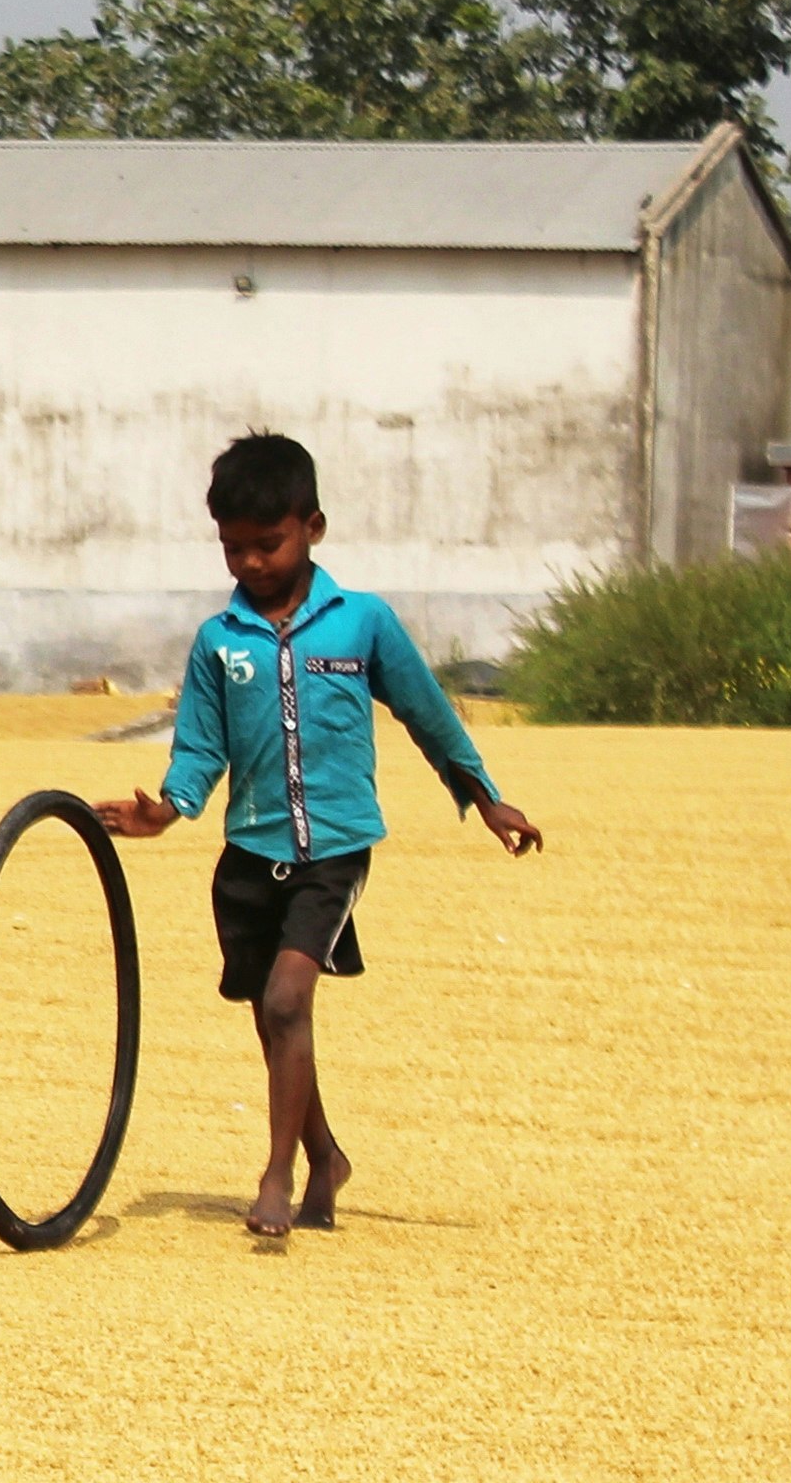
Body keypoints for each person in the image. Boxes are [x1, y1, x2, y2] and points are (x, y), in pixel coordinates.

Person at [96, 431, 544, 1238]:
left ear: (314, 527)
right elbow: (200, 747)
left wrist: (486, 798)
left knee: (287, 996)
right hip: (248, 857)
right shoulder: (217, 644)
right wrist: (165, 810)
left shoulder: (362, 624)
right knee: (275, 1019)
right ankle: (327, 1157)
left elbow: (427, 712)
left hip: (333, 851)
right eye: (233, 548)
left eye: (267, 544)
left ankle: (277, 1174)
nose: (251, 564)